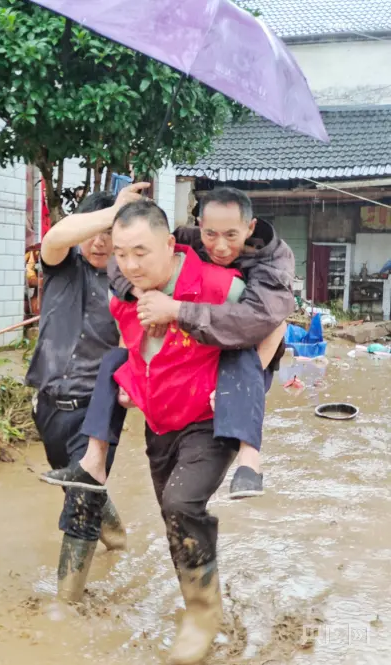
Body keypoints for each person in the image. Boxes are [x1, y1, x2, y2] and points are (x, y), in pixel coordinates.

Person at [45, 188, 294, 499]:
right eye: (210, 233)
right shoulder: (183, 239)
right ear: (199, 224)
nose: (219, 245)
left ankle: (250, 460)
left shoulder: (274, 262)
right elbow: (122, 268)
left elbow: (267, 322)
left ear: (250, 228)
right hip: (197, 342)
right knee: (113, 362)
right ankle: (93, 462)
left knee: (240, 360)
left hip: (251, 342)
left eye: (231, 235)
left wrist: (175, 310)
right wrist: (147, 297)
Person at [105, 200, 269, 664]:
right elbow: (130, 342)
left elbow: (270, 324)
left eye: (141, 252)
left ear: (170, 245)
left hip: (209, 421)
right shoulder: (125, 292)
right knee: (173, 517)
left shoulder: (221, 286)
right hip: (160, 423)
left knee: (182, 503)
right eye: (121, 254)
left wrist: (246, 382)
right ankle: (207, 601)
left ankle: (201, 615)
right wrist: (131, 385)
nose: (130, 265)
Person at [25, 183, 149, 602]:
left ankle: (65, 605)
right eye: (95, 231)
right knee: (78, 489)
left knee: (80, 503)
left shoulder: (129, 285)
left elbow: (145, 343)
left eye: (112, 235)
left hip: (97, 409)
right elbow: (56, 236)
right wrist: (114, 211)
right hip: (47, 407)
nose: (100, 242)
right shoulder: (60, 265)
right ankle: (116, 538)